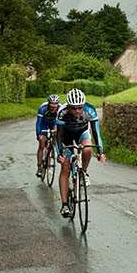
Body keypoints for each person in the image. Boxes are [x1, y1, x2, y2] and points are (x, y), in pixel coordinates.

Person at [55, 88, 106, 217]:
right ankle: (65, 204)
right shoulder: (62, 112)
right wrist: (60, 154)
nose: (77, 111)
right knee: (65, 168)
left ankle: (83, 172)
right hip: (66, 136)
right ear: (68, 106)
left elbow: (96, 132)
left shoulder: (90, 110)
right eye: (74, 108)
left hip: (81, 133)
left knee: (88, 148)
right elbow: (59, 135)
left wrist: (100, 151)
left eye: (80, 107)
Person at [35, 94, 60, 178]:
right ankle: (39, 167)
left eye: (55, 106)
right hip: (44, 124)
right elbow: (38, 123)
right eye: (51, 106)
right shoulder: (43, 108)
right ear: (49, 104)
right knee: (42, 143)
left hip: (54, 123)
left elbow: (60, 123)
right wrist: (39, 134)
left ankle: (52, 149)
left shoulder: (60, 109)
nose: (53, 108)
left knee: (56, 134)